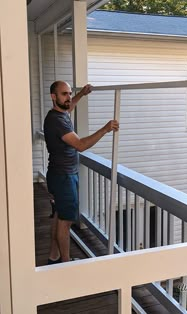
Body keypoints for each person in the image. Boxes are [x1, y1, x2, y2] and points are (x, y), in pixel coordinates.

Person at [44, 80, 119, 264]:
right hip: (64, 177)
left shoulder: (57, 114)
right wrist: (105, 128)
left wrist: (81, 94)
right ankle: (66, 263)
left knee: (59, 215)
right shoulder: (58, 121)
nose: (69, 97)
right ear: (53, 97)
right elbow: (81, 145)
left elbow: (69, 107)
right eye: (64, 94)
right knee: (66, 221)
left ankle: (53, 256)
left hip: (56, 173)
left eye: (70, 93)